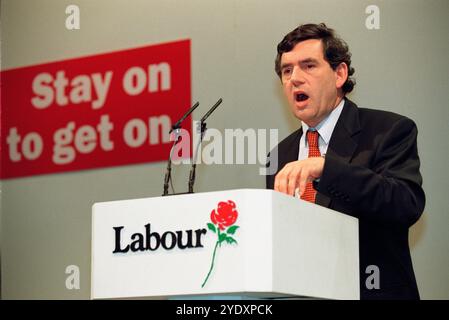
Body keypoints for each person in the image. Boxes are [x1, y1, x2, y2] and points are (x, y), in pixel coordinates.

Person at [266, 23, 425, 300]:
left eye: (309, 66)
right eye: (287, 70)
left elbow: (405, 204)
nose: (294, 79)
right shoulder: (278, 155)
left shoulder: (388, 130)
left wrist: (326, 169)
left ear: (339, 74)